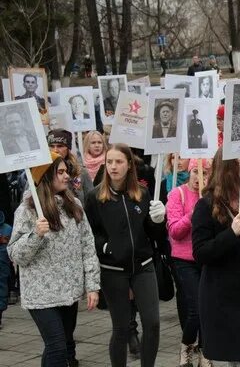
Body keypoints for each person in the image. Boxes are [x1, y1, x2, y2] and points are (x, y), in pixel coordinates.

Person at [8, 152, 100, 366]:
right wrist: (35, 235)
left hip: (69, 292)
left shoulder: (74, 205)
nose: (67, 176)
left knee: (61, 347)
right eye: (60, 172)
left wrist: (93, 285)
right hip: (41, 295)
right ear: (46, 176)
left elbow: (87, 245)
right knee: (57, 348)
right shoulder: (27, 210)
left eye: (66, 171)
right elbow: (16, 255)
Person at [85, 143, 166, 367]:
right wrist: (106, 247)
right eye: (109, 162)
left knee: (152, 324)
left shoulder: (142, 193)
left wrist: (159, 220)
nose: (113, 166)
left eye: (118, 161)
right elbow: (91, 233)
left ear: (129, 165)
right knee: (121, 327)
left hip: (143, 265)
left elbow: (154, 234)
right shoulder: (94, 197)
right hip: (113, 270)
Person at [192, 148, 240, 366]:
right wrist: (231, 233)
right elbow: (201, 253)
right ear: (227, 168)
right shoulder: (207, 205)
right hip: (224, 298)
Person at [166, 158, 212, 367]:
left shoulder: (212, 197)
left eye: (205, 172)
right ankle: (186, 347)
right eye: (195, 171)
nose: (199, 177)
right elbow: (175, 231)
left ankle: (204, 350)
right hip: (184, 259)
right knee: (195, 307)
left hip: (207, 258)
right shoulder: (178, 194)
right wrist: (194, 215)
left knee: (207, 306)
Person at [47, 129, 94, 203]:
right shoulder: (40, 174)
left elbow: (92, 202)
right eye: (52, 146)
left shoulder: (81, 172)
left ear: (68, 149)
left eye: (60, 146)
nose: (55, 150)